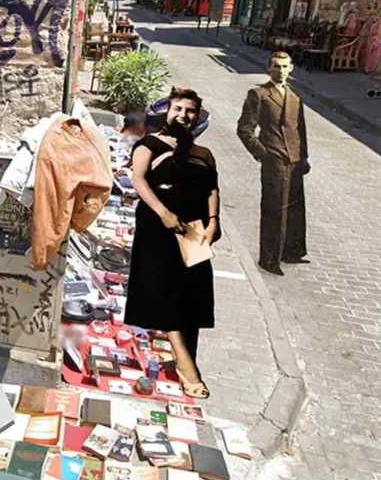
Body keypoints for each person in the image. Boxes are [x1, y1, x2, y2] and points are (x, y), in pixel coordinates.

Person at [123, 88, 219, 399]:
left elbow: (212, 189)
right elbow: (138, 180)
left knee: (192, 298)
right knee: (164, 293)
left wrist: (213, 222)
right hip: (158, 226)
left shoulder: (204, 154)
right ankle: (186, 368)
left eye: (190, 111)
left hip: (193, 230)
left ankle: (185, 356)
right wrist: (163, 212)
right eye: (178, 108)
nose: (183, 115)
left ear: (196, 117)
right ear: (168, 111)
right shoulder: (148, 145)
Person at [236, 51, 309, 276]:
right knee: (274, 209)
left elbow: (301, 131)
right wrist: (263, 154)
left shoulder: (295, 98)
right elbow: (245, 129)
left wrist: (304, 158)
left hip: (294, 160)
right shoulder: (259, 94)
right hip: (274, 160)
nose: (280, 71)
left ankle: (292, 252)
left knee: (295, 208)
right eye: (276, 66)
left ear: (291, 69)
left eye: (285, 66)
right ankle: (269, 259)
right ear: (269, 69)